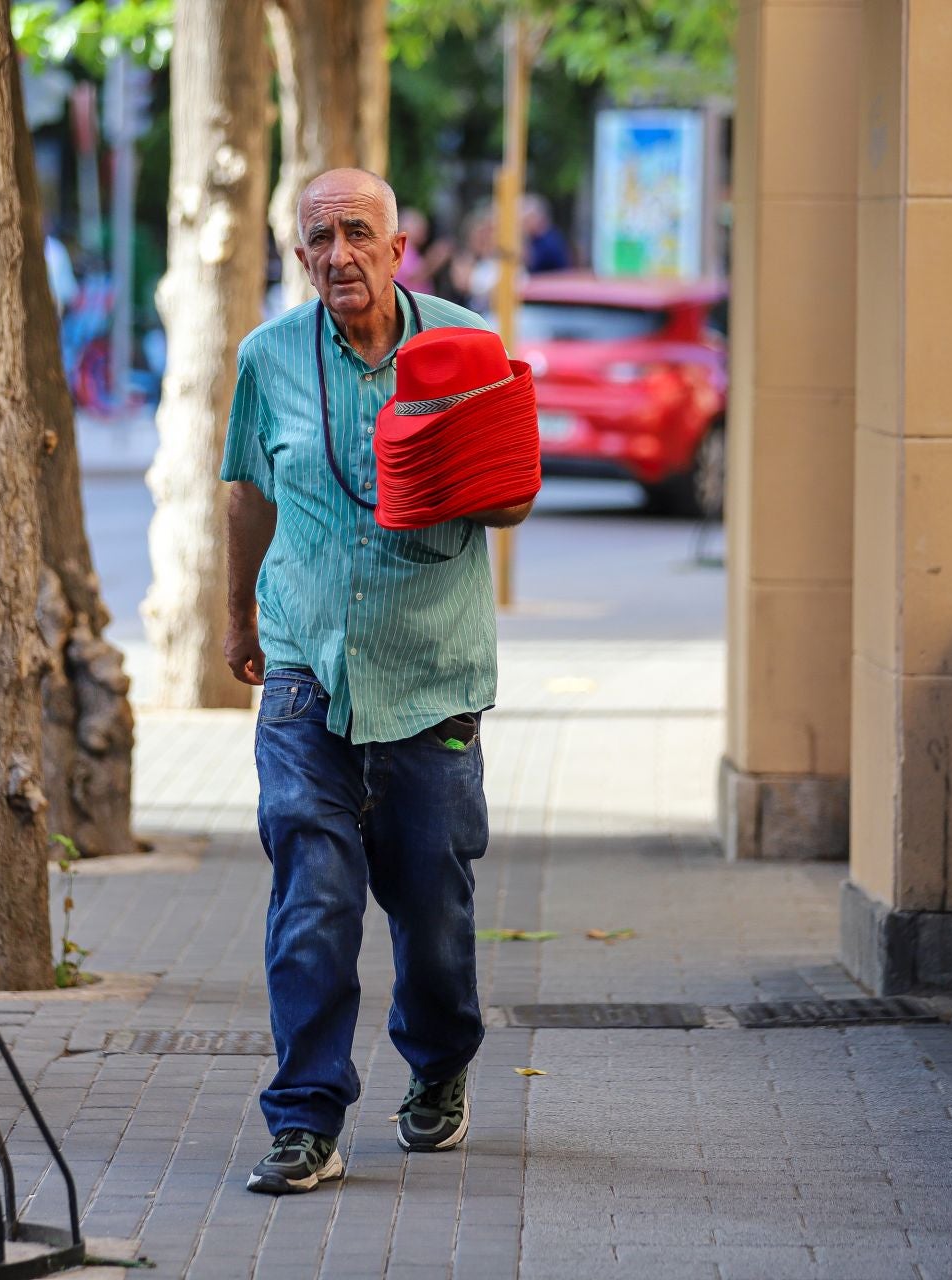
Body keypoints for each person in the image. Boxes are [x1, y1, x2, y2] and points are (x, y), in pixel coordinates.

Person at [220, 168, 535, 1195]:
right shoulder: (269, 358)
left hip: (429, 681)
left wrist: (464, 475)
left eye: (360, 232)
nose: (340, 252)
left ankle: (439, 1061)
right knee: (313, 894)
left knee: (431, 911)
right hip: (309, 674)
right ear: (300, 253)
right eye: (320, 236)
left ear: (400, 248)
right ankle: (306, 1116)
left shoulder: (465, 348)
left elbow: (515, 501)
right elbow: (246, 496)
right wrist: (234, 616)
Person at [522, 193, 572, 274]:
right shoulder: (535, 238)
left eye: (527, 219)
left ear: (538, 217)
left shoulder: (550, 241)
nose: (524, 223)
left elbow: (530, 261)